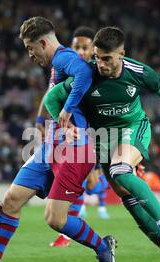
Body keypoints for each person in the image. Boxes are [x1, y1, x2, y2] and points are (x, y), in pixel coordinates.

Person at [0, 17, 116, 262]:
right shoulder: (57, 65)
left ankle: (102, 247)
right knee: (11, 200)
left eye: (31, 48)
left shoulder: (64, 58)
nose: (30, 55)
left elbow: (85, 74)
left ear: (43, 42)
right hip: (50, 147)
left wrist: (67, 109)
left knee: (55, 220)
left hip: (75, 148)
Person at [43, 27, 160, 262]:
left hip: (133, 128)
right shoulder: (87, 74)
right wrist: (65, 125)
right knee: (128, 199)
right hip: (104, 140)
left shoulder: (138, 72)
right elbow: (52, 97)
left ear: (122, 55)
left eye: (107, 58)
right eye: (97, 57)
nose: (101, 64)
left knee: (121, 171)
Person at [47, 26, 111, 248]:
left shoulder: (95, 73)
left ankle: (110, 184)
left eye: (85, 48)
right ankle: (67, 231)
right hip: (72, 136)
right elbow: (50, 96)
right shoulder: (64, 69)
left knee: (92, 184)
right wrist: (40, 122)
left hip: (93, 136)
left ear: (93, 50)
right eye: (77, 47)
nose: (81, 52)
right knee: (77, 182)